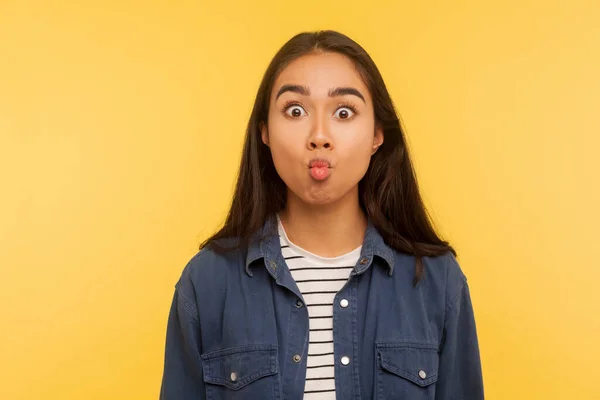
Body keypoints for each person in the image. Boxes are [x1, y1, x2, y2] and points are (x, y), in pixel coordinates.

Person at [159, 30, 484, 400]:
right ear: (264, 132)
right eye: (295, 110)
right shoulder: (206, 282)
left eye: (344, 112)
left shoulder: (438, 281)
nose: (319, 136)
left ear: (377, 134)